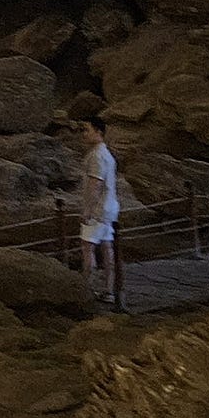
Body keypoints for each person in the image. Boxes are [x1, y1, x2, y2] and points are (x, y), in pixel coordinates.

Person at [77, 116, 121, 303]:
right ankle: (109, 290)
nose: (84, 134)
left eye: (87, 130)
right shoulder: (107, 155)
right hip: (110, 208)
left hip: (98, 209)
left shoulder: (96, 156)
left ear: (99, 132)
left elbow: (95, 184)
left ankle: (87, 289)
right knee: (107, 247)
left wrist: (87, 210)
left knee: (88, 248)